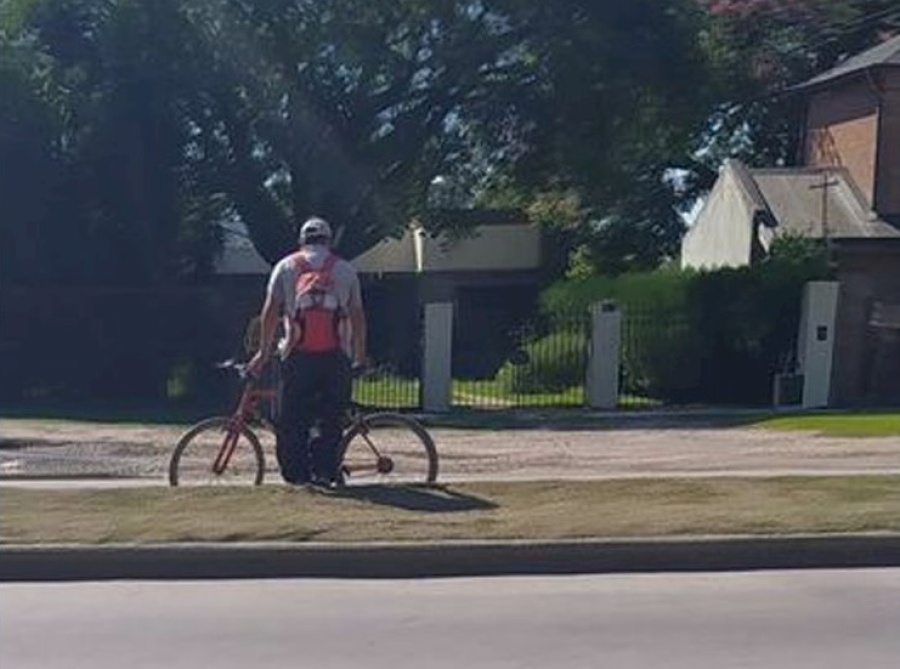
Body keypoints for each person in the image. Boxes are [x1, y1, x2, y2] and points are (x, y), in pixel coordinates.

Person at [246, 216, 367, 486]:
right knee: (330, 418)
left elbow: (269, 312)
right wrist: (359, 355)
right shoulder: (345, 270)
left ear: (301, 240)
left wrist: (263, 353)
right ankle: (324, 472)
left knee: (292, 418)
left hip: (297, 355)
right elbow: (358, 316)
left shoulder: (285, 267)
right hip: (336, 356)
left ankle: (297, 476)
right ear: (329, 241)